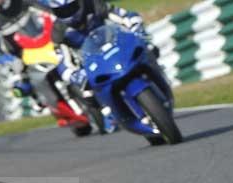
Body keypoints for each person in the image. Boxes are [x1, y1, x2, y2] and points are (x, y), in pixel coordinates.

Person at [42, 0, 152, 132]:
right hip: (89, 62)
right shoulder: (58, 30)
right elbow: (61, 60)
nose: (68, 14)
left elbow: (123, 15)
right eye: (62, 11)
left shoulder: (94, 6)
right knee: (87, 92)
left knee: (149, 49)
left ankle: (156, 77)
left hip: (114, 46)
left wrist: (136, 27)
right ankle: (107, 112)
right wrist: (74, 75)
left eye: (71, 8)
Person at [0, 0, 45, 98]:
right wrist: (9, 60)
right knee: (21, 86)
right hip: (20, 55)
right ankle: (36, 101)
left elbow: (46, 6)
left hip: (43, 40)